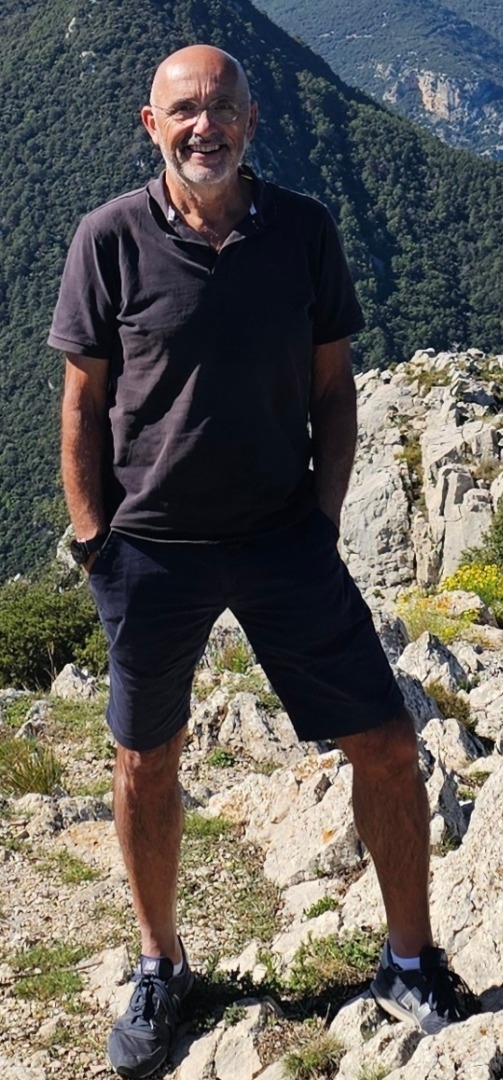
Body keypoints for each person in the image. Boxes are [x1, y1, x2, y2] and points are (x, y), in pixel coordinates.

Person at [49, 43, 477, 1080]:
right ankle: (161, 964)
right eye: (184, 111)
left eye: (223, 108)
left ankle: (408, 960)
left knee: (385, 743)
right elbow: (82, 402)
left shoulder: (303, 231)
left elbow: (334, 388)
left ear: (250, 120)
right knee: (144, 759)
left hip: (284, 539)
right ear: (151, 125)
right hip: (151, 549)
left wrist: (320, 518)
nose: (205, 126)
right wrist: (93, 538)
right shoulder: (107, 238)